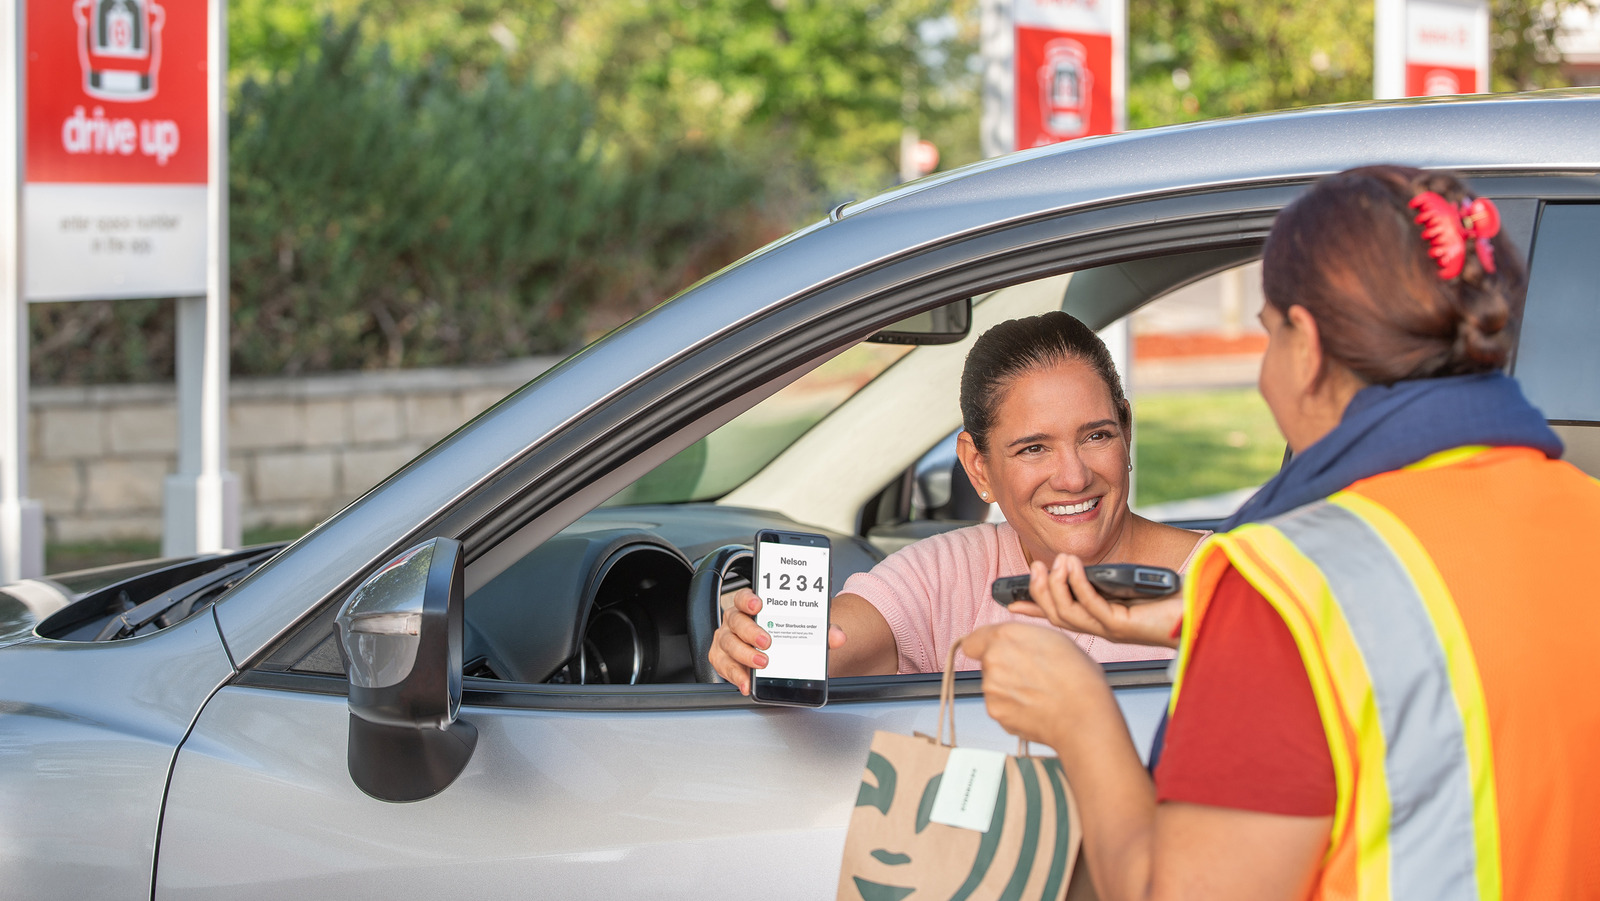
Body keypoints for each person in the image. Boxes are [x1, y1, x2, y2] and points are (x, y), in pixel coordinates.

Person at [966, 165, 1600, 900]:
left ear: (1306, 341)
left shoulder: (1289, 589)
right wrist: (1213, 621)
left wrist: (1079, 715)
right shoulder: (1580, 511)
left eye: (1267, 337)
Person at [710, 311, 1208, 692]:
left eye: (1096, 436)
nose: (1074, 477)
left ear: (1126, 428)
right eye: (1034, 448)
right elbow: (831, 647)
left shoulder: (1232, 580)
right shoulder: (950, 573)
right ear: (978, 466)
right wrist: (759, 647)